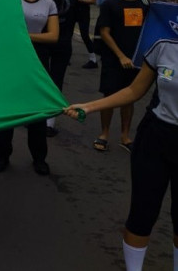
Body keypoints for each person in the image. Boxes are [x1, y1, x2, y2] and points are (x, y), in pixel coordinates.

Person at [64, 38, 178, 271]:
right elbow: (134, 90)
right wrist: (89, 106)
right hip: (155, 138)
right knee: (142, 212)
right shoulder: (164, 46)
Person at [0, 0, 59, 176]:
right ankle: (2, 154)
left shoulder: (49, 4)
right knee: (8, 111)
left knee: (36, 112)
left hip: (37, 60)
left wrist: (24, 36)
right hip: (11, 60)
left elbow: (53, 36)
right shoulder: (10, 0)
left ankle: (39, 158)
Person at [93, 0, 149, 153]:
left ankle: (125, 136)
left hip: (135, 60)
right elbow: (105, 32)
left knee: (129, 98)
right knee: (109, 97)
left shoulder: (143, 3)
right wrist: (121, 56)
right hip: (114, 59)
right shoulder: (110, 4)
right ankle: (104, 134)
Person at [43, 0, 77, 137]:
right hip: (64, 45)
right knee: (57, 81)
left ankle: (35, 117)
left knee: (40, 81)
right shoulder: (73, 0)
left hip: (43, 44)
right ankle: (50, 122)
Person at [69, 0, 98, 68]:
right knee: (68, 34)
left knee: (84, 35)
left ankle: (93, 59)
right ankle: (67, 57)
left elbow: (93, 0)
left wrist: (80, 0)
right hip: (71, 9)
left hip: (83, 10)